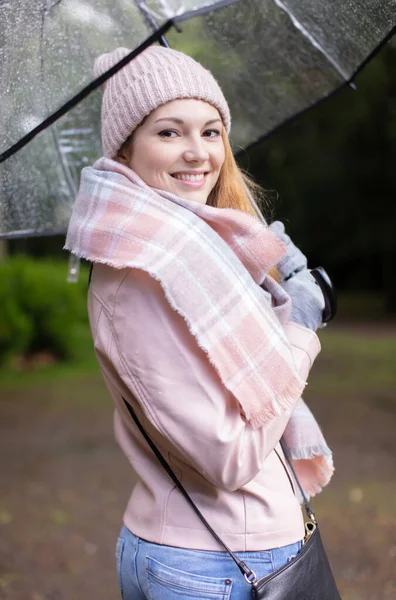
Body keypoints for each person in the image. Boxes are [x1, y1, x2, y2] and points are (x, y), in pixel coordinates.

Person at [65, 45, 334, 600]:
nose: (197, 153)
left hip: (224, 554)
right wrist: (301, 326)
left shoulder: (196, 255)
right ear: (125, 148)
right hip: (217, 567)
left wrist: (269, 286)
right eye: (169, 132)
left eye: (211, 132)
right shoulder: (142, 276)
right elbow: (228, 457)